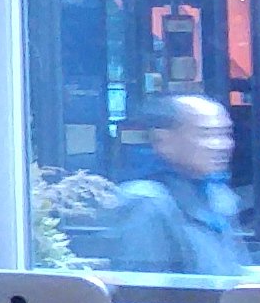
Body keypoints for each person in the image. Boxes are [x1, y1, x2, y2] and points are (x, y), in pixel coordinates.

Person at [96, 92, 250, 281]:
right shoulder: (145, 202)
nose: (221, 145)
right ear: (163, 140)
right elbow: (142, 289)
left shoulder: (220, 198)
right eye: (206, 134)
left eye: (224, 134)